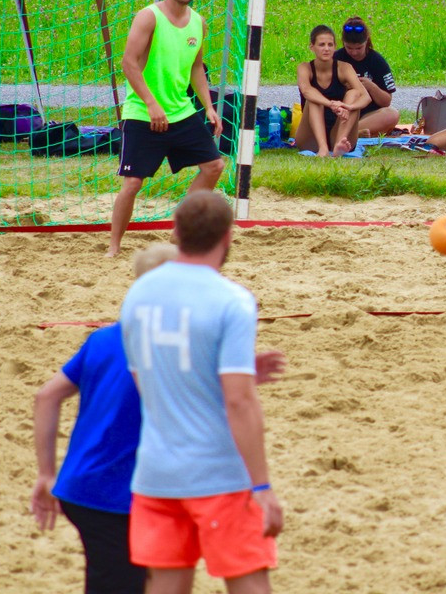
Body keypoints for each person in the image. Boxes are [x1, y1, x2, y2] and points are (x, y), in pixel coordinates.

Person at [31, 243, 285, 594]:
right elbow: (189, 392)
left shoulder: (104, 338)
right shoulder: (167, 346)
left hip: (79, 484)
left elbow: (46, 395)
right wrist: (233, 378)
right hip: (118, 493)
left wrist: (46, 473)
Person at [120, 192, 284, 594]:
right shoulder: (232, 300)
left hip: (156, 475)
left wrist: (232, 377)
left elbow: (149, 382)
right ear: (228, 237)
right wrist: (261, 487)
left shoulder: (138, 294)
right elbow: (238, 401)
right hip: (218, 475)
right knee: (248, 581)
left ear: (174, 233)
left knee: (166, 585)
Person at [108, 0, 225, 258]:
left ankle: (179, 231)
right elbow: (128, 64)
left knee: (214, 167)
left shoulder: (199, 22)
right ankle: (113, 247)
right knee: (132, 183)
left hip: (180, 112)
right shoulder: (149, 17)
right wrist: (151, 104)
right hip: (143, 113)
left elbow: (197, 67)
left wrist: (208, 107)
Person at [295, 25, 370, 157]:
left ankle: (339, 146)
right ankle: (323, 148)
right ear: (312, 47)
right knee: (314, 99)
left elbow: (365, 96)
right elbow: (306, 91)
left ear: (335, 47)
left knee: (353, 94)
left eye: (330, 45)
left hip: (339, 128)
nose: (326, 49)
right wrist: (331, 104)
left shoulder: (344, 68)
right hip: (311, 136)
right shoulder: (304, 68)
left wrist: (348, 106)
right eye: (321, 45)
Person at [332, 16, 400, 137]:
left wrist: (370, 86)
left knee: (392, 114)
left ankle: (348, 132)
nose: (354, 52)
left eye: (359, 48)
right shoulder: (335, 59)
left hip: (366, 116)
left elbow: (386, 102)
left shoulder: (377, 61)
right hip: (340, 114)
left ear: (366, 42)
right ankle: (348, 132)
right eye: (349, 48)